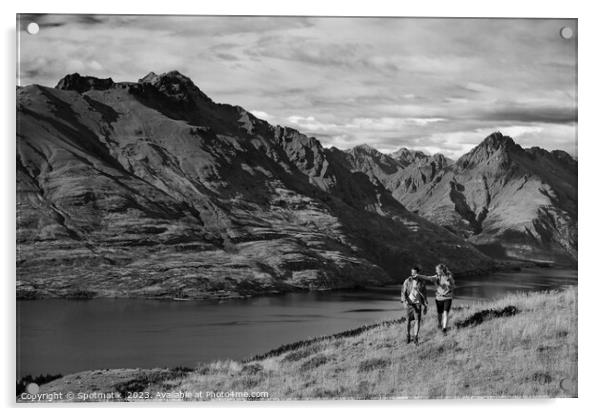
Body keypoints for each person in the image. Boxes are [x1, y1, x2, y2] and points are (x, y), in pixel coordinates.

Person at [417, 263, 455, 335]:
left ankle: (444, 329)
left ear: (441, 270)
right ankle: (439, 324)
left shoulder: (449, 277)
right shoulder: (436, 277)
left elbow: (453, 286)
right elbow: (427, 277)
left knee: (445, 313)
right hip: (439, 298)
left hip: (448, 297)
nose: (436, 271)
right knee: (439, 314)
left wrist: (449, 283)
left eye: (437, 270)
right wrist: (418, 275)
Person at [401, 266, 428, 345]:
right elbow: (403, 292)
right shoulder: (407, 281)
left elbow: (425, 294)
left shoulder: (422, 282)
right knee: (408, 322)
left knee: (417, 321)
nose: (413, 274)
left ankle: (415, 337)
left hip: (418, 304)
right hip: (409, 304)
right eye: (412, 272)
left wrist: (425, 305)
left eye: (414, 273)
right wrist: (404, 302)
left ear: (418, 273)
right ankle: (408, 336)